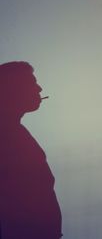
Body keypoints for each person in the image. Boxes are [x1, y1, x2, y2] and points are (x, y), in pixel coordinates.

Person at [0, 61, 62, 239]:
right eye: (32, 82)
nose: (40, 88)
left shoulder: (17, 133)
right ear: (11, 87)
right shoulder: (7, 133)